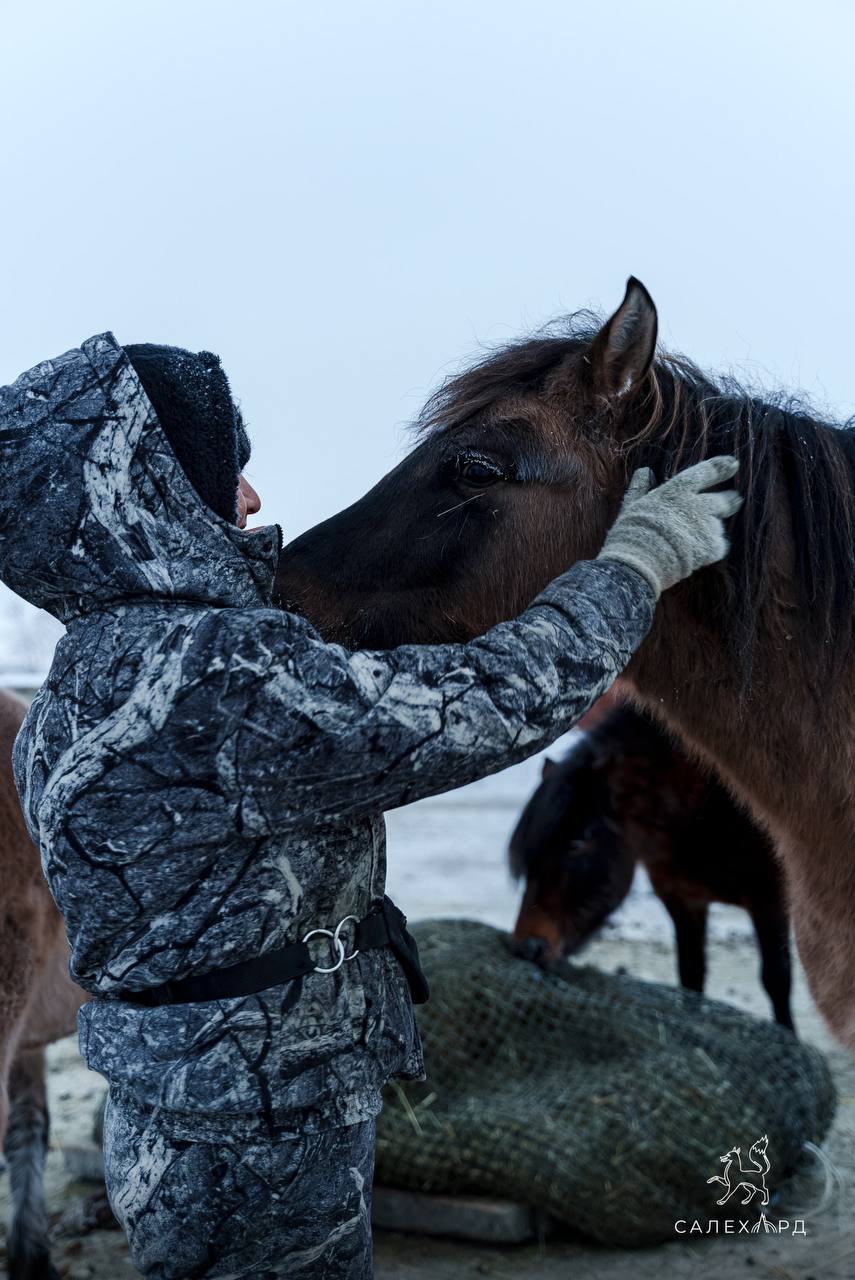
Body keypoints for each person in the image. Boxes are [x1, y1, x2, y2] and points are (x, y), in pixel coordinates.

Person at [0, 333, 741, 1278]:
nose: (256, 502)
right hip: (259, 1125)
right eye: (228, 475)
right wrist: (633, 564)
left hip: (175, 1103)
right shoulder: (208, 670)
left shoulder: (84, 674)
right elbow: (482, 703)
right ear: (156, 494)